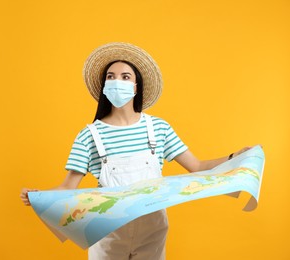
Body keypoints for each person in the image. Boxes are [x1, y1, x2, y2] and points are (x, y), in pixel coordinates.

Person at [20, 42, 253, 260]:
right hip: (107, 232)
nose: (116, 81)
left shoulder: (158, 128)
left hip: (153, 229)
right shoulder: (89, 135)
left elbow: (198, 167)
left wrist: (237, 157)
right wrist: (40, 197)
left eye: (125, 76)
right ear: (104, 86)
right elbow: (68, 188)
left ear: (135, 86)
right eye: (110, 77)